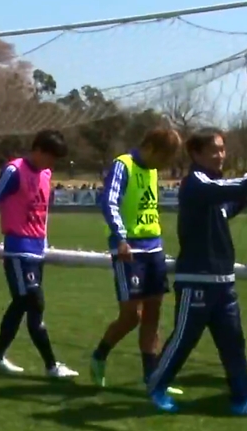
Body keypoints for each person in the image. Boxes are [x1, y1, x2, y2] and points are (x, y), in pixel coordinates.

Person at [147, 128, 247, 416]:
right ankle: (156, 386)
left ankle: (242, 399)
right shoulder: (195, 183)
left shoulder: (212, 189)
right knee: (184, 340)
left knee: (233, 344)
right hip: (197, 279)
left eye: (222, 149)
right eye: (214, 150)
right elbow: (223, 190)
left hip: (223, 282)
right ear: (196, 154)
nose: (220, 155)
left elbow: (227, 205)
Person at [0, 129, 78, 378]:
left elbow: (43, 212)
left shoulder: (46, 174)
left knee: (22, 305)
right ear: (37, 150)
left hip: (37, 251)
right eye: (50, 156)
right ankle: (51, 365)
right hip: (18, 250)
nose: (51, 163)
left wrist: (45, 242)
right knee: (33, 301)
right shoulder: (14, 171)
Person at [91, 127, 181, 391]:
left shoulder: (152, 170)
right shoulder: (123, 165)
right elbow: (109, 202)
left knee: (153, 314)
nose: (164, 165)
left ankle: (152, 377)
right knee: (132, 316)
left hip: (153, 247)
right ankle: (99, 355)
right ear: (150, 148)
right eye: (163, 158)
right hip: (129, 249)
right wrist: (120, 238)